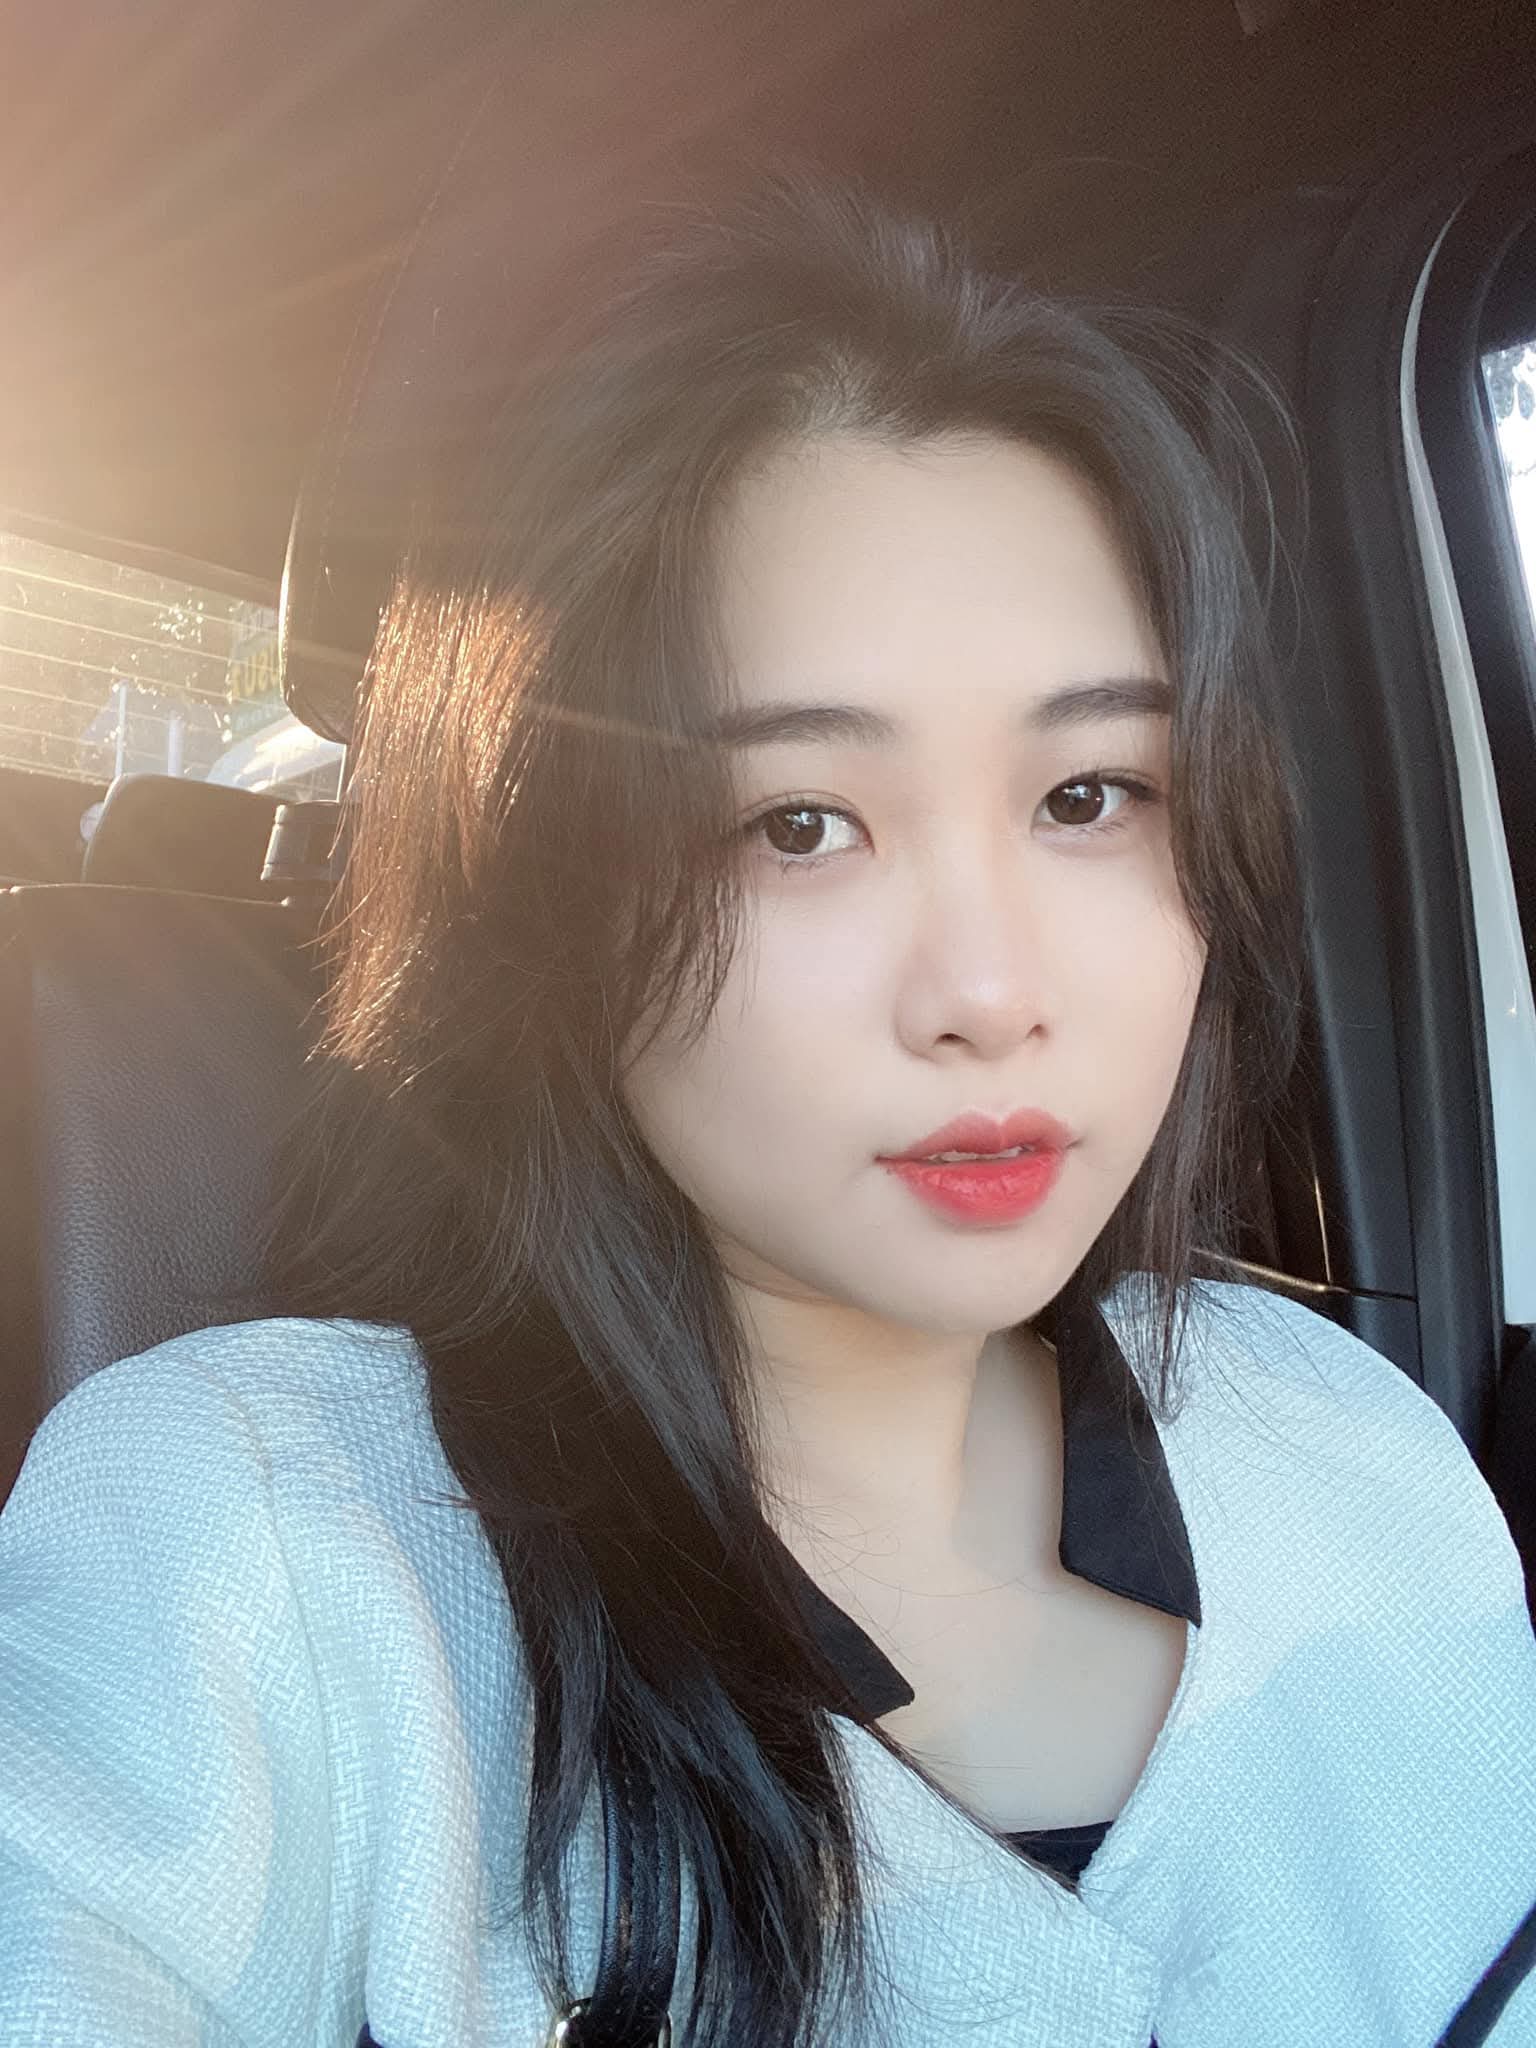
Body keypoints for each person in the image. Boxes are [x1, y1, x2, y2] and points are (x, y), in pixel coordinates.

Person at [1, 176, 1533, 2048]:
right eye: (800, 824)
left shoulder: (1350, 1440)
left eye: (1089, 797)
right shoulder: (258, 1549)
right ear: (546, 891)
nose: (990, 993)